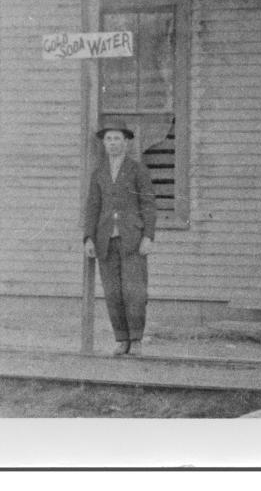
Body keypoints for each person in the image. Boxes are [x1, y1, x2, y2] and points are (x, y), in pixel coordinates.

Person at [82, 125, 156, 356]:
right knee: (113, 292)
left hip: (132, 240)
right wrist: (88, 238)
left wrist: (148, 236)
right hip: (106, 241)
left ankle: (136, 339)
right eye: (108, 139)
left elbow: (148, 205)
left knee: (134, 292)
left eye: (117, 139)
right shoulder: (99, 172)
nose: (112, 143)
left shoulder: (137, 170)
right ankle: (121, 339)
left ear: (126, 143)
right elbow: (92, 207)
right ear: (104, 144)